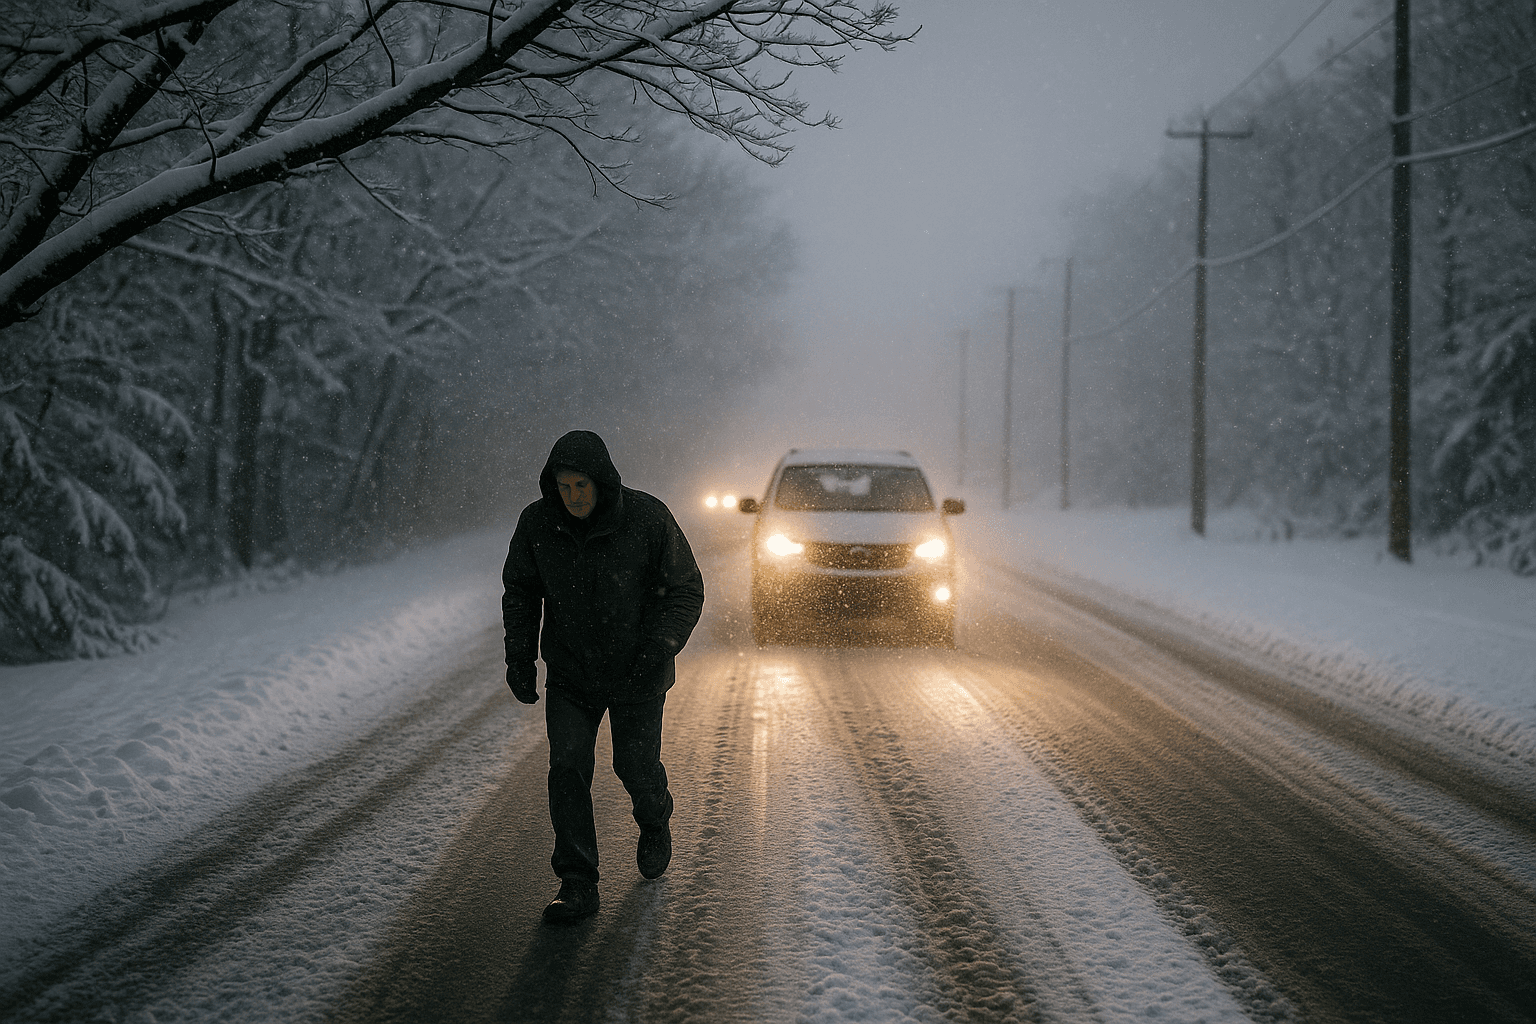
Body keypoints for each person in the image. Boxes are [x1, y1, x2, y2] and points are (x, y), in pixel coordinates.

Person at [502, 430, 705, 923]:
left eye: (581, 486)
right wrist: (520, 657)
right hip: (571, 674)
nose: (573, 496)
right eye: (564, 486)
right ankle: (577, 883)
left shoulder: (647, 518)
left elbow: (686, 589)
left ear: (603, 482)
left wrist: (660, 646)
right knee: (568, 769)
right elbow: (521, 593)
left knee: (633, 767)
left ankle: (655, 817)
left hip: (638, 672)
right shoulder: (537, 524)